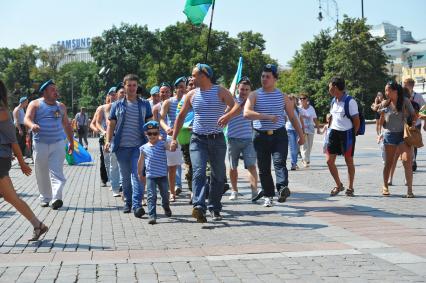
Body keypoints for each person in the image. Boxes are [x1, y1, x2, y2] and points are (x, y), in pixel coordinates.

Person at [171, 63, 234, 222]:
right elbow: (180, 116)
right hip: (197, 139)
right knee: (198, 172)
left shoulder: (220, 91)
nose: (191, 78)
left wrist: (227, 116)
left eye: (194, 75)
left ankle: (214, 207)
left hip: (217, 139)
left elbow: (236, 107)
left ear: (204, 75)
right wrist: (174, 139)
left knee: (218, 176)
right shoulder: (191, 94)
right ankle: (199, 206)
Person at [244, 64, 305, 207]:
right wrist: (266, 117)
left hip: (279, 135)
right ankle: (268, 195)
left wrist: (301, 135)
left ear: (275, 79)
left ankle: (282, 188)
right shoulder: (254, 95)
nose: (264, 79)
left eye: (268, 77)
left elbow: (293, 117)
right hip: (260, 135)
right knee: (264, 167)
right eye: (263, 76)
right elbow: (246, 113)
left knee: (279, 163)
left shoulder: (283, 97)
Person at [0, 80, 48, 241]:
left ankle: (38, 225)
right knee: (10, 197)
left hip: (1, 158)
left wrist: (21, 162)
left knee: (11, 197)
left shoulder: (2, 112)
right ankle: (38, 224)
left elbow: (13, 140)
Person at [105, 74, 152, 218]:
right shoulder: (116, 105)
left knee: (137, 175)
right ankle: (128, 202)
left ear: (137, 87)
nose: (132, 88)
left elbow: (150, 123)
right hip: (121, 147)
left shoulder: (144, 104)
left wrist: (154, 140)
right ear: (124, 87)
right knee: (125, 177)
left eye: (134, 85)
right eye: (129, 85)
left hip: (139, 147)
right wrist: (108, 141)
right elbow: (111, 124)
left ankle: (137, 205)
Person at [24, 79, 74, 209]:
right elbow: (27, 118)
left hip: (58, 143)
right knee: (41, 171)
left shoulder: (61, 106)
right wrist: (32, 125)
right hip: (40, 143)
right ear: (44, 92)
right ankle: (45, 197)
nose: (55, 92)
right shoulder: (35, 104)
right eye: (52, 89)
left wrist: (71, 142)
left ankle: (56, 198)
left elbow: (67, 125)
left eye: (56, 89)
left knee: (57, 171)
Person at [217, 77, 262, 201]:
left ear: (250, 90)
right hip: (233, 138)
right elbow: (224, 114)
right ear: (238, 88)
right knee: (233, 167)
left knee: (252, 165)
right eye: (242, 89)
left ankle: (254, 191)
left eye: (247, 89)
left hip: (248, 139)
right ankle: (234, 190)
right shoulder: (232, 100)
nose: (244, 91)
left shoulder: (251, 102)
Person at [379, 81, 416, 197]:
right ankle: (385, 186)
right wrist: (380, 115)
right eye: (385, 90)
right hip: (389, 135)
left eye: (388, 90)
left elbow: (414, 114)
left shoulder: (405, 101)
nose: (386, 93)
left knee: (407, 160)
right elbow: (381, 121)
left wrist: (412, 123)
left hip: (403, 135)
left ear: (395, 91)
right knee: (389, 163)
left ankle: (409, 190)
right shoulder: (385, 103)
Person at [326, 77, 360, 197]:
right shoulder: (333, 101)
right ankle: (339, 184)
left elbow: (357, 121)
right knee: (329, 161)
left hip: (347, 134)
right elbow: (333, 115)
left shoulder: (350, 101)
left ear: (335, 87)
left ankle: (350, 187)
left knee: (348, 161)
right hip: (334, 133)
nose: (328, 88)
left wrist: (353, 135)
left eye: (329, 86)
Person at [138, 121, 172, 224]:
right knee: (151, 196)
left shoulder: (162, 144)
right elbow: (140, 162)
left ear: (159, 134)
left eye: (155, 133)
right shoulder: (143, 148)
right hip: (150, 176)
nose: (152, 136)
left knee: (165, 195)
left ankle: (165, 206)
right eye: (150, 133)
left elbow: (171, 148)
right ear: (146, 134)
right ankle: (152, 215)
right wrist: (139, 173)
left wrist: (173, 143)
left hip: (162, 176)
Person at [159, 77, 185, 202]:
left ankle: (192, 191)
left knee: (191, 165)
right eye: (179, 86)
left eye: (184, 86)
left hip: (187, 135)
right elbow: (161, 119)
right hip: (172, 136)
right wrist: (166, 128)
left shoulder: (190, 100)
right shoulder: (168, 102)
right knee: (172, 167)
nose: (182, 89)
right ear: (175, 89)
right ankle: (172, 191)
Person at [95, 87, 121, 196]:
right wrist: (103, 131)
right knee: (108, 161)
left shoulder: (122, 106)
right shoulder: (102, 108)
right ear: (108, 96)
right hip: (106, 137)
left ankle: (117, 183)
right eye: (112, 94)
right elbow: (96, 122)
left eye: (115, 94)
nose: (114, 96)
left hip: (118, 136)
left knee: (117, 161)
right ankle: (113, 182)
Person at [403, 78, 425, 172]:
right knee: (405, 142)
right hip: (404, 124)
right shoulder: (402, 96)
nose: (404, 86)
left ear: (411, 85)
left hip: (416, 123)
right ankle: (408, 160)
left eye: (405, 84)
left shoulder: (418, 96)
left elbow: (424, 109)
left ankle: (413, 160)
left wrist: (425, 122)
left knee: (414, 142)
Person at [298, 94, 320, 167]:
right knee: (304, 145)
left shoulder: (311, 108)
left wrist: (318, 128)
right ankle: (305, 160)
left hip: (310, 128)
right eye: (300, 98)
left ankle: (305, 159)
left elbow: (315, 118)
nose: (302, 100)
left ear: (307, 99)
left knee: (309, 146)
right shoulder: (298, 108)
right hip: (301, 128)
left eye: (303, 98)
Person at [285, 95, 305, 171]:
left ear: (295, 101)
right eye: (289, 99)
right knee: (292, 147)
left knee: (296, 147)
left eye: (292, 99)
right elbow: (283, 118)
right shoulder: (285, 109)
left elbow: (301, 119)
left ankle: (295, 162)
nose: (291, 101)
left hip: (298, 129)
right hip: (289, 129)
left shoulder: (298, 109)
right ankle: (293, 163)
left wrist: (303, 129)